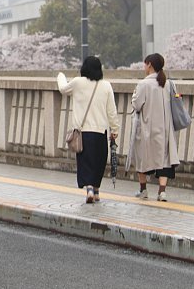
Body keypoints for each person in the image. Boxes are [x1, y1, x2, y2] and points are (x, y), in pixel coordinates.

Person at [57, 56, 120, 204]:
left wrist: (60, 76)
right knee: (99, 162)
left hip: (83, 132)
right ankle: (97, 192)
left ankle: (90, 189)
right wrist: (115, 128)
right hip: (100, 132)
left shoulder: (78, 83)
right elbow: (111, 110)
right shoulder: (106, 86)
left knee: (86, 162)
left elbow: (63, 89)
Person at [128, 53, 180, 202]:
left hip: (147, 127)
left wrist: (133, 96)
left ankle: (143, 190)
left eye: (145, 64)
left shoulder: (143, 84)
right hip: (165, 127)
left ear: (149, 64)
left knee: (142, 157)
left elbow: (137, 105)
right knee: (164, 159)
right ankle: (162, 192)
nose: (144, 67)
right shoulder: (168, 83)